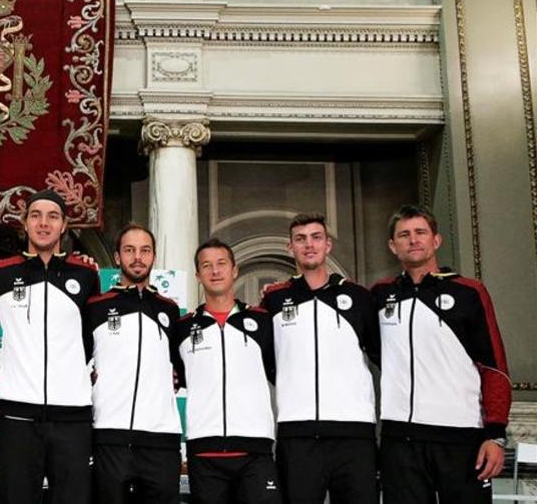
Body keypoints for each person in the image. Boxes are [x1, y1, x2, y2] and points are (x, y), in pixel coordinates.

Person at [374, 204, 511, 503]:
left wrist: (495, 434)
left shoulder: (469, 292)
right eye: (404, 235)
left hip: (460, 437)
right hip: (400, 440)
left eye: (421, 232)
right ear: (392, 246)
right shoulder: (381, 295)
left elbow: (495, 368)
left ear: (436, 240)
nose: (413, 240)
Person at [0, 189, 100, 504]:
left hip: (72, 415)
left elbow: (90, 340)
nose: (44, 223)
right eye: (36, 215)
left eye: (53, 216)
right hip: (17, 415)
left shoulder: (86, 274)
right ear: (24, 224)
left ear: (64, 226)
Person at [259, 213, 379, 504]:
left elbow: (382, 356)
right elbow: (265, 361)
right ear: (291, 248)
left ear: (328, 245)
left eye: (316, 237)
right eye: (300, 239)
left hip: (354, 434)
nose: (308, 245)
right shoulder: (273, 300)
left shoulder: (359, 297)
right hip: (296, 434)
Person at [173, 238, 279, 504]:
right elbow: (177, 376)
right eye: (206, 266)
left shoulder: (263, 321)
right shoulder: (183, 328)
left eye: (221, 264)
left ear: (234, 270)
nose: (215, 271)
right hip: (204, 452)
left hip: (255, 450)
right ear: (198, 275)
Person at [87, 223, 182, 504]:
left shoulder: (170, 309)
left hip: (161, 438)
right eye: (129, 250)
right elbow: (74, 359)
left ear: (154, 256)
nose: (137, 257)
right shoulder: (95, 306)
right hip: (109, 435)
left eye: (145, 250)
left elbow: (183, 366)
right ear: (117, 257)